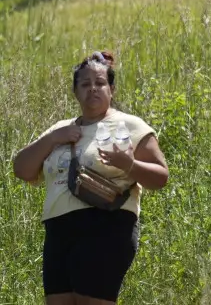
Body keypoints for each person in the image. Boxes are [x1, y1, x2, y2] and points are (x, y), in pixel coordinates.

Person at [13, 51, 169, 305]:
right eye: (85, 84)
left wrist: (129, 164)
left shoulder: (130, 125)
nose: (93, 89)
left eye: (100, 83)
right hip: (58, 228)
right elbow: (22, 169)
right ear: (75, 92)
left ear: (112, 89)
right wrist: (54, 138)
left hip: (107, 224)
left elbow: (160, 178)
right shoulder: (60, 129)